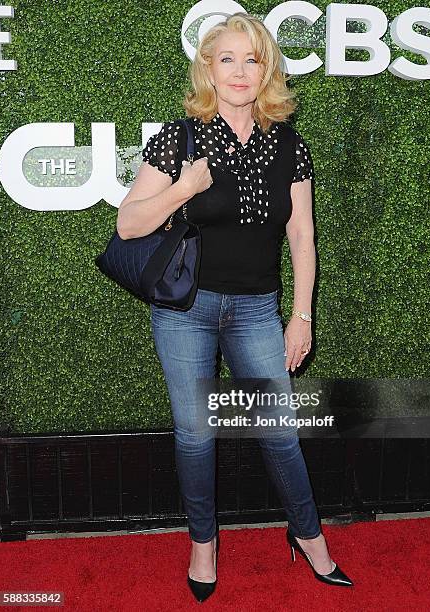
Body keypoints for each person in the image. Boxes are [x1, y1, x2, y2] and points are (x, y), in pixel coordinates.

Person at [117, 12, 353, 603]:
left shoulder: (290, 146)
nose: (241, 71)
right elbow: (127, 224)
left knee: (280, 434)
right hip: (185, 309)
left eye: (252, 59)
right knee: (196, 435)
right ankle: (204, 544)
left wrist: (301, 316)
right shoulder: (180, 138)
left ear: (267, 68)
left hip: (257, 311)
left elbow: (302, 237)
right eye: (227, 59)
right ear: (209, 69)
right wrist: (183, 188)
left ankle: (310, 538)